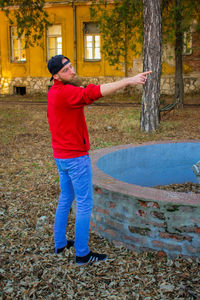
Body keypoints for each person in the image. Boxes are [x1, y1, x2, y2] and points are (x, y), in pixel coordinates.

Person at [47, 54, 151, 265]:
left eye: (71, 66)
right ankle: (82, 254)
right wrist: (129, 80)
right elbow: (95, 92)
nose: (72, 71)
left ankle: (59, 244)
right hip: (75, 157)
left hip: (61, 157)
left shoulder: (53, 92)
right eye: (66, 70)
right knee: (84, 204)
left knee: (66, 198)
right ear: (56, 75)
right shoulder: (67, 92)